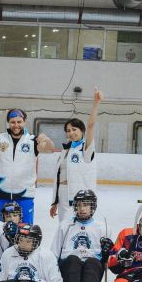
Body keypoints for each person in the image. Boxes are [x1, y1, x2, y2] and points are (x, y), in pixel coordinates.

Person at [0, 108, 55, 223]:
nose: (16, 125)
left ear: (24, 122)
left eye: (19, 122)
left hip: (25, 193)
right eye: (13, 122)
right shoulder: (0, 139)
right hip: (1, 192)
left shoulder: (33, 140)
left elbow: (50, 149)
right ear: (8, 123)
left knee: (26, 229)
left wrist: (47, 139)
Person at [50, 89, 102, 220]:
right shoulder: (65, 150)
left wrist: (96, 103)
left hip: (80, 198)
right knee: (63, 228)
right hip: (62, 196)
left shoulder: (85, 148)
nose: (71, 133)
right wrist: (54, 202)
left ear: (82, 130)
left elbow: (91, 125)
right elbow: (58, 176)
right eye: (68, 131)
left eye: (74, 129)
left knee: (77, 230)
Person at [51, 190, 110, 282]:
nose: (82, 209)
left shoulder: (103, 228)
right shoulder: (65, 225)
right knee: (73, 259)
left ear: (93, 206)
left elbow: (107, 260)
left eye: (86, 205)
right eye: (79, 205)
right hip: (69, 266)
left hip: (93, 266)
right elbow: (54, 253)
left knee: (93, 262)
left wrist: (108, 252)